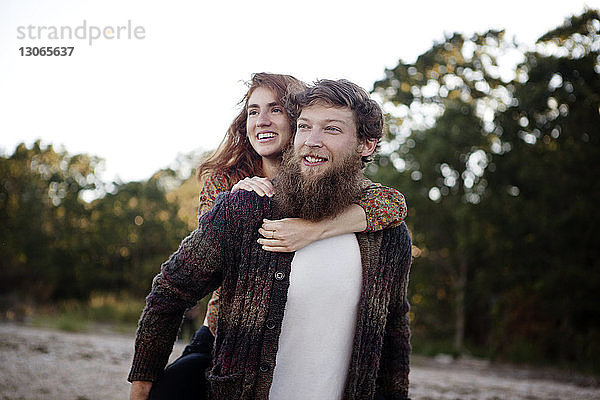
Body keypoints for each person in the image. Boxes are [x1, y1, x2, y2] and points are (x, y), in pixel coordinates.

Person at [129, 78, 412, 400]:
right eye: (305, 127)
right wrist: (143, 382)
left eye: (331, 129)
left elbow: (394, 327)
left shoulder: (387, 233)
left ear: (366, 144)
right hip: (224, 354)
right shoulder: (242, 204)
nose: (312, 141)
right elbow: (170, 290)